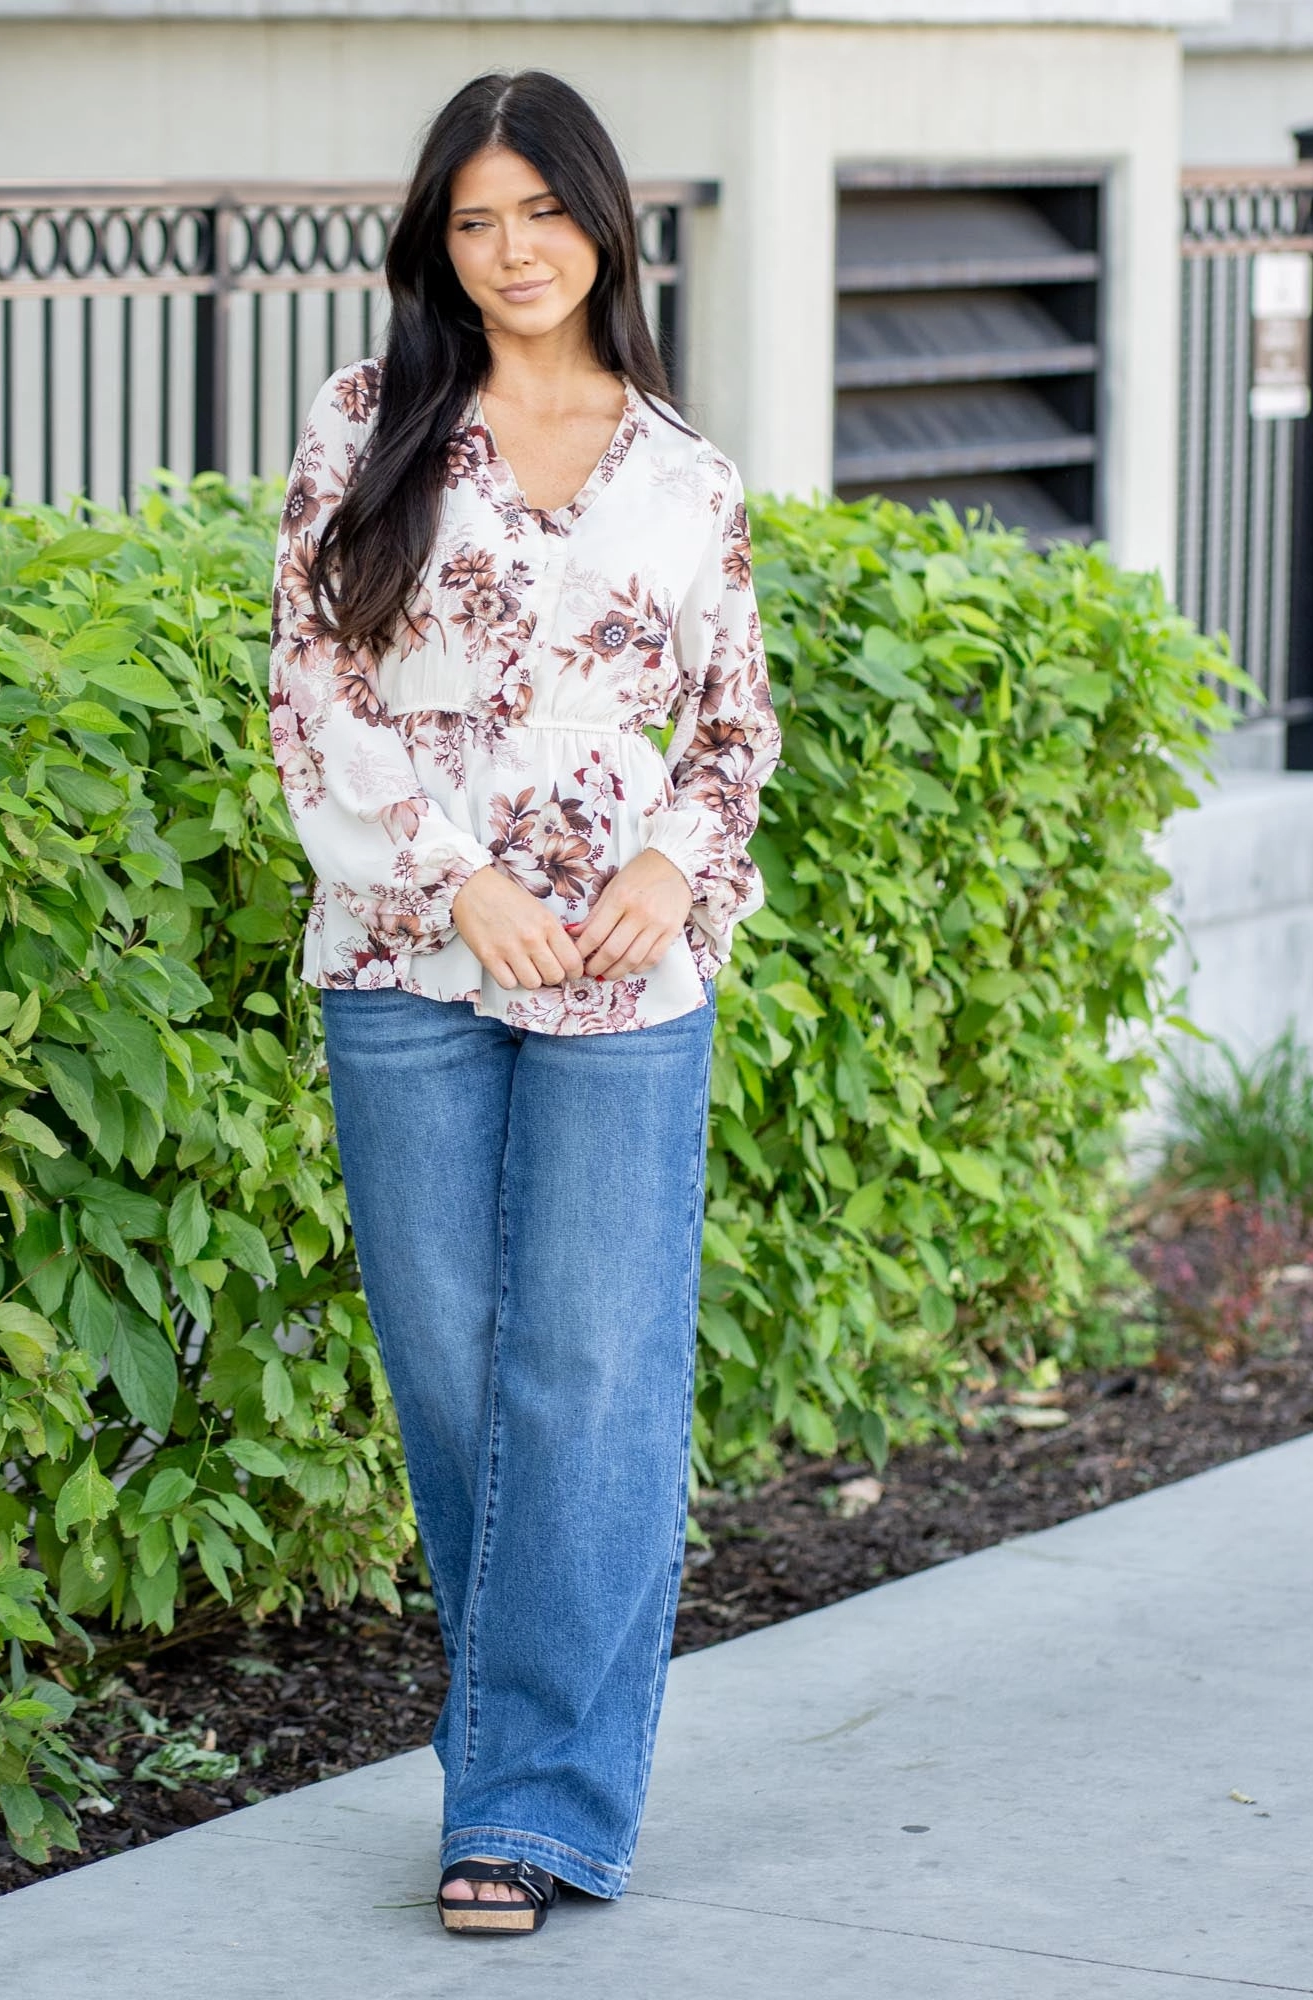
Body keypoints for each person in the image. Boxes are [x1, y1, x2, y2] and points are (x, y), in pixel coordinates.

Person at [266, 68, 779, 1937]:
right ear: (438, 242)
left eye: (543, 212)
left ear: (604, 225)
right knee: (455, 1372)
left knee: (591, 1378)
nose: (513, 250)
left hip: (624, 980)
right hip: (407, 955)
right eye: (476, 220)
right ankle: (523, 1751)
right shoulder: (365, 424)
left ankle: (526, 1806)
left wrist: (670, 870)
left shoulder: (683, 472)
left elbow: (729, 730)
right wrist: (455, 878)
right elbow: (309, 691)